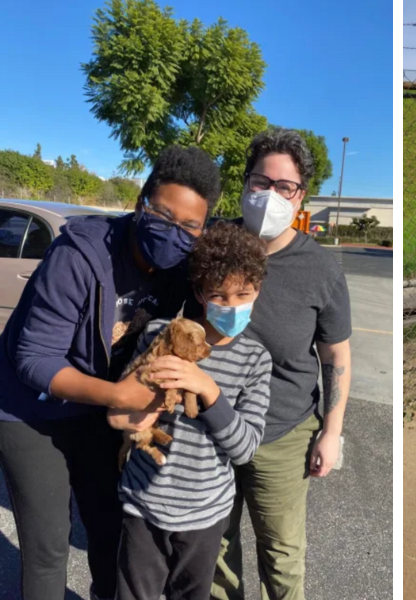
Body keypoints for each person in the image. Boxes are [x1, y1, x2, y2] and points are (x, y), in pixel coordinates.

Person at [0, 145, 218, 600]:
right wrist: (120, 397)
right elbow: (32, 358)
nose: (173, 234)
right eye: (162, 215)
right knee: (48, 549)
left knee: (109, 532)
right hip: (31, 410)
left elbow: (222, 293)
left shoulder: (179, 267)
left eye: (189, 227)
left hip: (98, 406)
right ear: (140, 204)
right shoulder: (79, 254)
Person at [211, 129, 353, 600]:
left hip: (281, 435)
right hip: (209, 425)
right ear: (245, 183)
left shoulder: (320, 269)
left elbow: (335, 355)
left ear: (300, 197)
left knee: (281, 552)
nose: (269, 195)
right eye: (260, 181)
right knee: (213, 547)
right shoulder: (215, 245)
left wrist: (331, 432)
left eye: (284, 187)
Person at [108, 221, 271, 600]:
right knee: (133, 592)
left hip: (204, 513)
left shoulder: (256, 359)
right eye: (219, 295)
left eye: (242, 294)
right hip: (142, 503)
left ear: (257, 290)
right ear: (199, 291)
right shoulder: (161, 333)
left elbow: (246, 448)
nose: (231, 305)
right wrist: (144, 400)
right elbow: (119, 411)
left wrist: (209, 390)